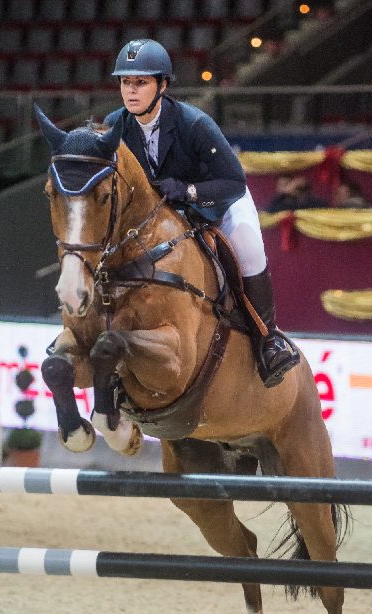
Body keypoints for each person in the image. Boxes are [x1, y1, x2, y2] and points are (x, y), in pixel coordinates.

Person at [104, 39, 299, 388]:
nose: (131, 92)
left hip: (215, 202)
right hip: (161, 217)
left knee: (250, 248)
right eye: (125, 83)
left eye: (141, 82)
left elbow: (234, 182)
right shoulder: (114, 126)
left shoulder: (194, 123)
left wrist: (189, 191)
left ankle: (268, 342)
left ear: (162, 85)